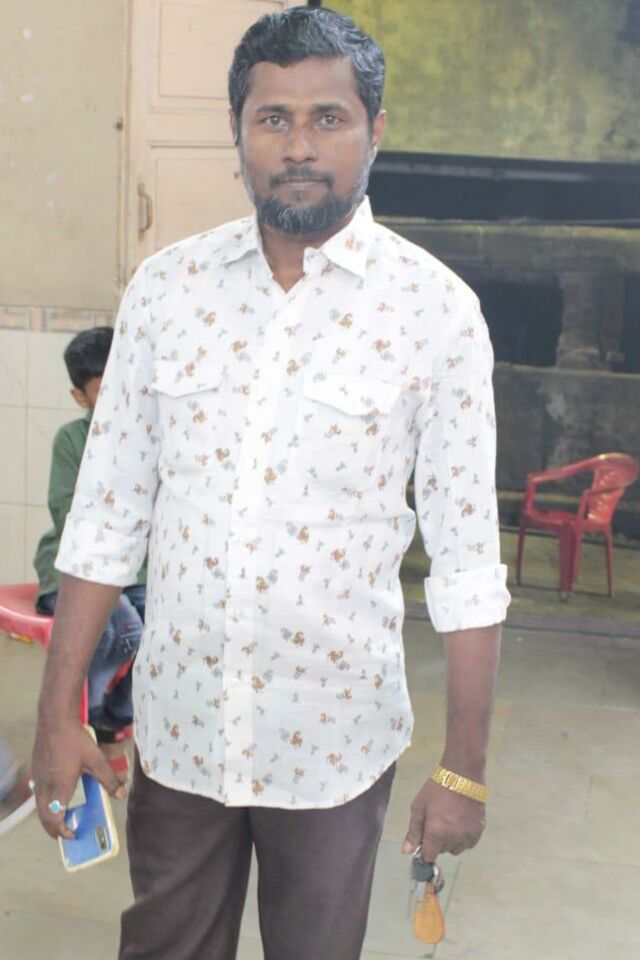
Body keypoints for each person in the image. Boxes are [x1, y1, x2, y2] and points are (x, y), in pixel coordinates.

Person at [31, 7, 510, 959]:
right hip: (183, 729)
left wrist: (463, 768)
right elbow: (104, 520)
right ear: (237, 130)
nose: (298, 146)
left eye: (328, 118)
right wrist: (58, 715)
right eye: (272, 118)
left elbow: (466, 563)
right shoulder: (167, 291)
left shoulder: (436, 313)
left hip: (335, 742)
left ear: (376, 129)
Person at [33, 327, 146, 781]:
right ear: (80, 397)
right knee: (125, 627)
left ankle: (112, 719)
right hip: (73, 569)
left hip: (136, 571)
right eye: (103, 391)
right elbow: (66, 513)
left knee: (164, 631)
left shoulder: (147, 437)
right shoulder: (71, 440)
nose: (117, 399)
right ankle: (87, 716)